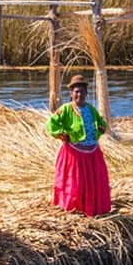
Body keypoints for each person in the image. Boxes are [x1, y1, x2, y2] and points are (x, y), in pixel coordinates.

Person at [47, 75, 112, 216]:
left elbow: (102, 122)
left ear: (86, 94)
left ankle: (92, 206)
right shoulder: (66, 109)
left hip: (92, 150)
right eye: (76, 92)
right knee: (76, 181)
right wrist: (61, 134)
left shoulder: (90, 109)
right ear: (71, 94)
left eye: (82, 92)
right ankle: (74, 207)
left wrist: (100, 130)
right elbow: (51, 124)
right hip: (74, 152)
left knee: (93, 182)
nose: (79, 94)